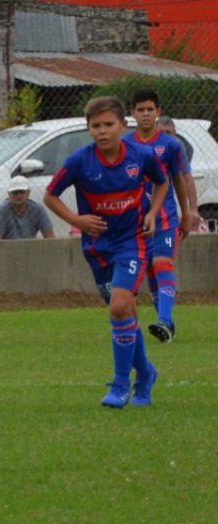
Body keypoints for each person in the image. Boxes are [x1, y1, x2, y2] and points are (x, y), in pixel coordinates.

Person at [43, 96, 168, 408]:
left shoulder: (140, 155)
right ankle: (146, 374)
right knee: (124, 311)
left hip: (132, 241)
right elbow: (49, 195)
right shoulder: (78, 161)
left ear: (123, 126)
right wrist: (76, 220)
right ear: (88, 130)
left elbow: (162, 183)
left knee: (119, 306)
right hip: (97, 247)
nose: (102, 131)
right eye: (95, 126)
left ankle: (120, 385)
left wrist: (152, 212)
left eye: (108, 124)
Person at [124, 90, 190, 344]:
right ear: (132, 114)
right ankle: (167, 323)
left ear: (158, 112)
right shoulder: (126, 145)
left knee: (163, 264)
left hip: (166, 219)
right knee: (151, 272)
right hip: (137, 220)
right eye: (140, 110)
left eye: (150, 109)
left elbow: (178, 180)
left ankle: (163, 320)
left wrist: (186, 213)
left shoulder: (170, 145)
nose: (145, 114)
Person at [156, 115, 205, 234]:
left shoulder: (177, 147)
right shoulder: (145, 145)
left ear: (175, 134)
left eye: (168, 132)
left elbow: (187, 178)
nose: (165, 136)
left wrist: (192, 209)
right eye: (161, 132)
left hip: (167, 205)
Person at [0, 175, 55, 240]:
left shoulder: (38, 209)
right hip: (7, 248)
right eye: (15, 192)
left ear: (28, 193)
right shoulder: (0, 211)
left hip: (30, 248)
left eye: (22, 192)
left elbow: (50, 237)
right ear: (8, 194)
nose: (19, 196)